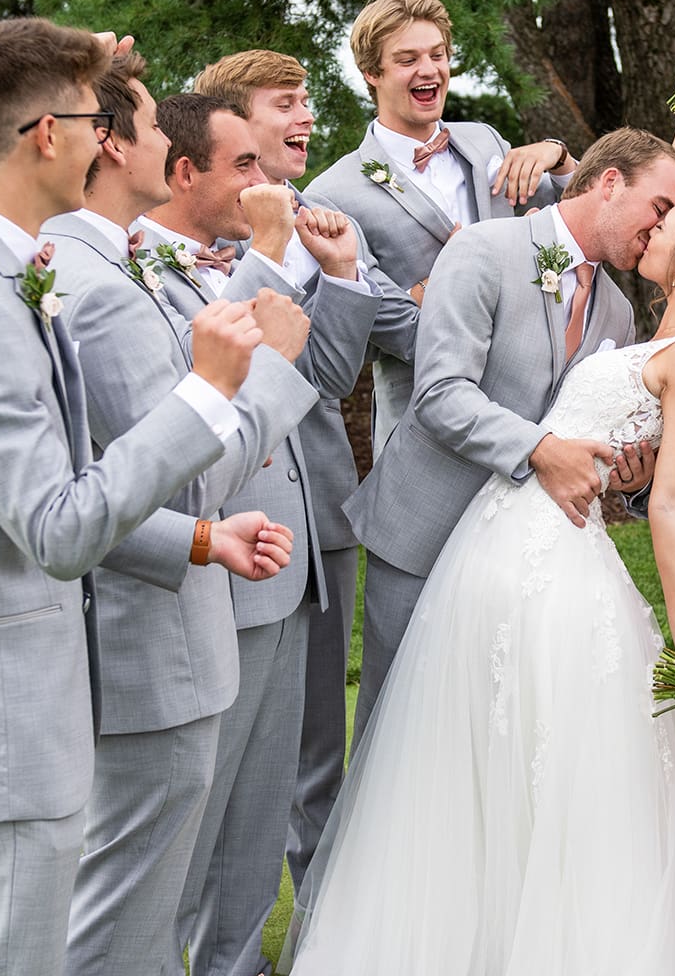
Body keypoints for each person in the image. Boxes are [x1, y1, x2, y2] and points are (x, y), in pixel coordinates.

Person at [284, 188, 675, 974]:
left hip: (556, 572)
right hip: (502, 547)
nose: (652, 225)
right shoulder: (664, 334)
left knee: (547, 764)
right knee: (479, 756)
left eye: (667, 224)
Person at [0, 18, 292, 976]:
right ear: (46, 136)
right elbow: (56, 526)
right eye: (98, 120)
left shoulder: (3, 268)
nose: (111, 140)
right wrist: (206, 392)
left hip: (30, 695)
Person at [41, 56, 318, 976]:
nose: (168, 140)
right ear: (110, 142)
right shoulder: (102, 285)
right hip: (148, 642)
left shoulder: (123, 260)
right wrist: (272, 369)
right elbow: (183, 471)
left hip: (206, 589)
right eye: (156, 125)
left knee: (145, 916)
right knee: (127, 918)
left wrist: (206, 535)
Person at [132, 91, 381, 976]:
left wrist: (343, 275)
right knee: (194, 827)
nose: (263, 181)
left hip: (283, 562)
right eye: (243, 165)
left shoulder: (241, 257)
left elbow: (319, 374)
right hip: (205, 571)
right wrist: (271, 256)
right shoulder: (139, 272)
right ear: (182, 171)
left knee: (261, 806)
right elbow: (197, 401)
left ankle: (239, 964)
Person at [336, 126, 671, 763]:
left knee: (489, 748)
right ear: (608, 183)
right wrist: (543, 448)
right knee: (393, 749)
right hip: (425, 533)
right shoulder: (485, 250)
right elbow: (439, 396)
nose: (662, 229)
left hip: (521, 556)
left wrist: (630, 477)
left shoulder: (621, 315)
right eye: (659, 208)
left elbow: (591, 435)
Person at [191, 49, 416, 898]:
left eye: (308, 101)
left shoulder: (323, 218)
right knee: (222, 760)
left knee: (316, 746)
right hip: (211, 528)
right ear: (234, 126)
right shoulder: (177, 237)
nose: (307, 119)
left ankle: (323, 933)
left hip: (318, 511)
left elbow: (345, 360)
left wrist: (349, 274)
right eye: (286, 104)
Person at [304, 0, 577, 459]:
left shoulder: (485, 140)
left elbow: (570, 223)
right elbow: (358, 327)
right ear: (372, 73)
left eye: (438, 55)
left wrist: (559, 157)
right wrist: (453, 289)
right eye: (407, 59)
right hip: (422, 417)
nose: (428, 70)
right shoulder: (332, 193)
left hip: (531, 407)